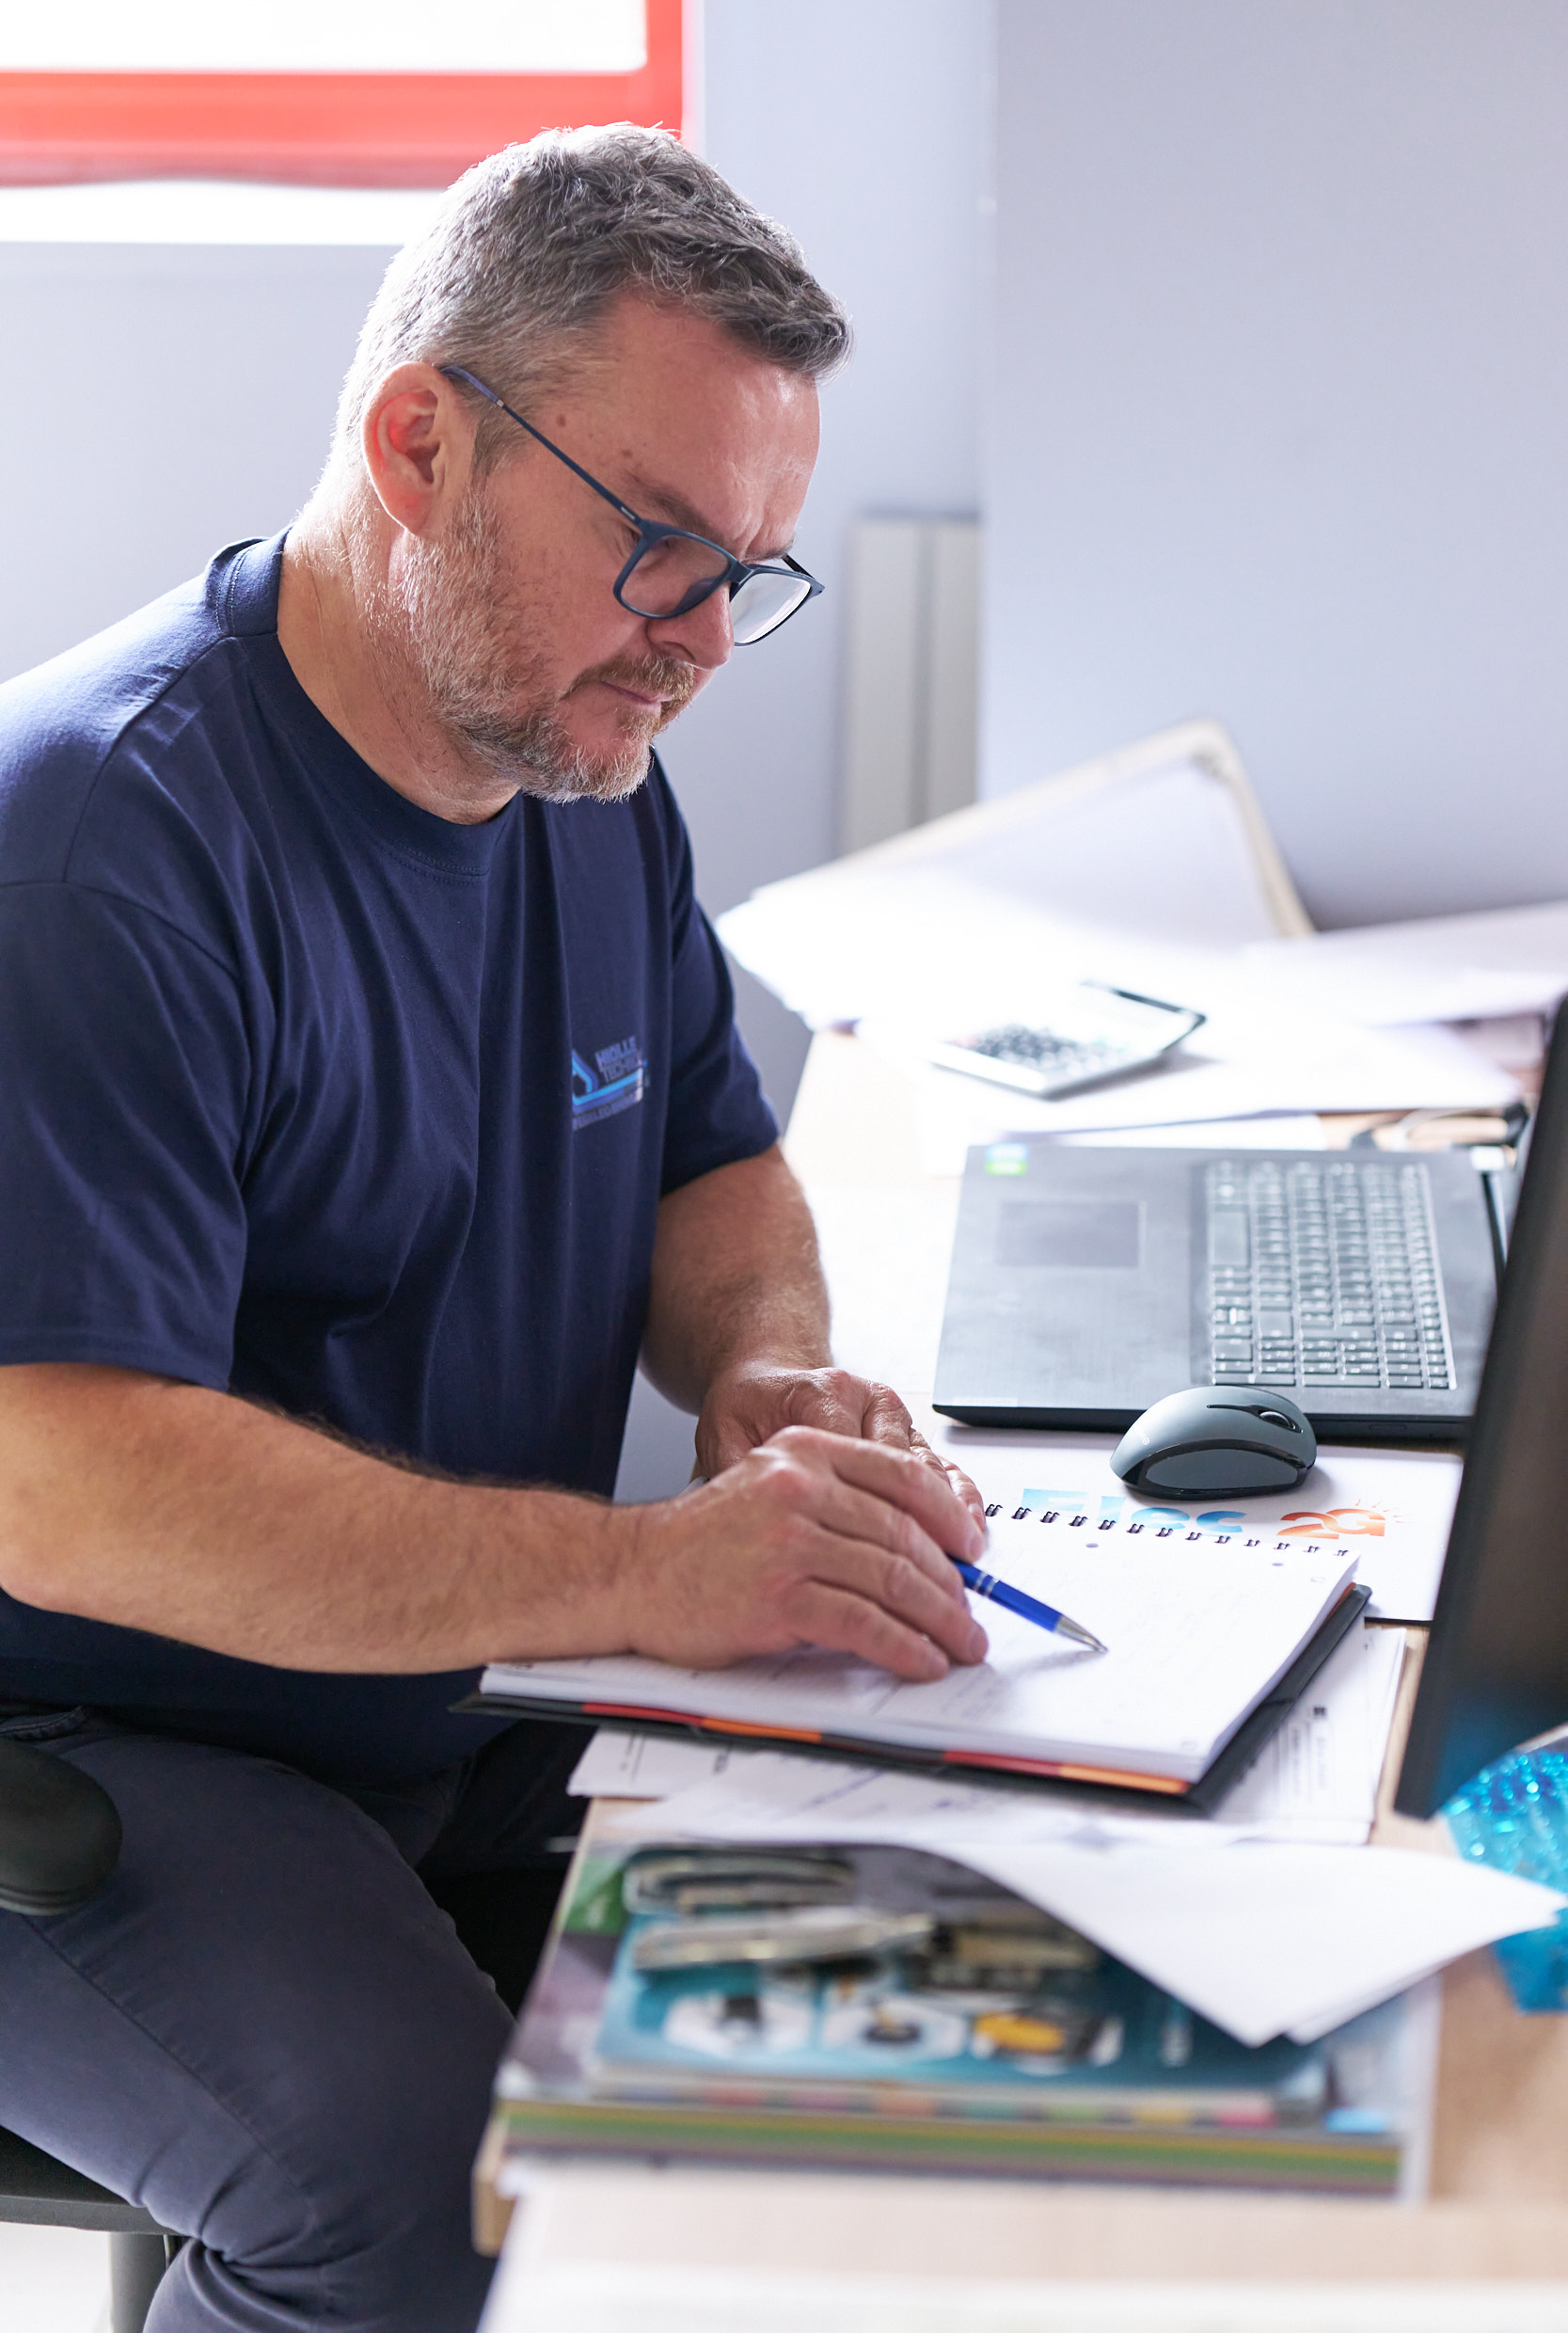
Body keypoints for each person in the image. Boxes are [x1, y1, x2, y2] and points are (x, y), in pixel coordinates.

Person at [0, 128, 987, 2332]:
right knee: (419, 2198)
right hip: (91, 1730)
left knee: (906, 1976)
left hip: (453, 1679)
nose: (703, 644)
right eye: (661, 549)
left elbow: (716, 1163)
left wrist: (765, 1377)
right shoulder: (91, 850)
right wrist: (646, 1577)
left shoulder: (577, 769)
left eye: (750, 574)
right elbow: (59, 1478)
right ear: (421, 445)